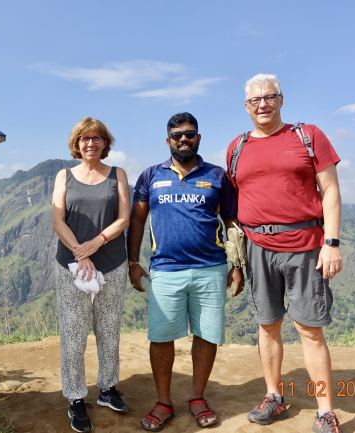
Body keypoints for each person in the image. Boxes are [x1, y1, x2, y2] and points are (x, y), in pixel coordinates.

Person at [226, 74, 343, 433]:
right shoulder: (237, 147)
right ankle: (273, 397)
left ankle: (325, 412)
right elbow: (238, 199)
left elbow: (332, 193)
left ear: (281, 100)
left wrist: (332, 243)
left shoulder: (307, 136)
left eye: (269, 97)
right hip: (257, 246)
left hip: (305, 245)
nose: (262, 104)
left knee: (309, 330)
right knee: (267, 325)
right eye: (254, 100)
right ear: (246, 107)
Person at [127, 112, 244, 432]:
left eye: (189, 134)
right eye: (177, 135)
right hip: (164, 270)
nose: (183, 139)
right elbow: (137, 221)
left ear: (198, 138)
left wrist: (237, 265)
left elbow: (232, 222)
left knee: (207, 334)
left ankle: (197, 397)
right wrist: (133, 263)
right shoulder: (151, 175)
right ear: (168, 141)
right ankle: (163, 401)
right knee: (161, 337)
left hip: (211, 269)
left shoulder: (217, 176)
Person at [52, 117, 131, 433]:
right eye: (84, 138)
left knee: (109, 330)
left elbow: (123, 218)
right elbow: (58, 220)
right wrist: (79, 252)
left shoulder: (117, 175)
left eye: (97, 138)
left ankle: (108, 389)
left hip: (112, 261)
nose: (91, 143)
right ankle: (74, 398)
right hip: (71, 267)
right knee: (73, 335)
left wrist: (95, 243)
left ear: (105, 142)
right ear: (77, 143)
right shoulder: (64, 176)